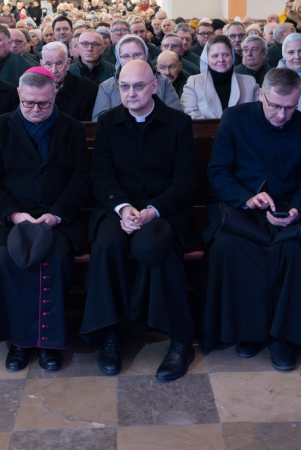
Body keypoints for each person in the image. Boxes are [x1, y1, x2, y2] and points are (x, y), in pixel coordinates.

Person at [0, 67, 90, 372]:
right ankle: (18, 342)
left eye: (43, 103)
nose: (35, 110)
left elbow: (82, 179)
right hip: (10, 219)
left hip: (57, 218)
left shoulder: (71, 129)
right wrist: (15, 215)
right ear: (19, 94)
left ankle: (47, 343)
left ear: (55, 95)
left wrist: (55, 215)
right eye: (28, 103)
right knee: (3, 259)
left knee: (53, 258)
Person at [81, 59, 197, 382]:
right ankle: (110, 334)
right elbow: (101, 175)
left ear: (154, 87)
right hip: (118, 209)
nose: (130, 93)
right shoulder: (107, 122)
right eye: (124, 87)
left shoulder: (177, 123)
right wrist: (123, 209)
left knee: (160, 247)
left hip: (166, 210)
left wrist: (153, 210)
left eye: (138, 86)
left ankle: (180, 339)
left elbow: (186, 181)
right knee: (106, 244)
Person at [203, 68, 301, 371]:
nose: (283, 115)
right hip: (239, 206)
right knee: (229, 247)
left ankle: (281, 337)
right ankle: (247, 332)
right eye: (275, 106)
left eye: (290, 107)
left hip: (284, 210)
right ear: (261, 95)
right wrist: (246, 197)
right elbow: (218, 170)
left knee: (292, 251)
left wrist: (297, 210)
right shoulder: (235, 118)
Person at [92, 34, 179, 121]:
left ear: (145, 55)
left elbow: (175, 117)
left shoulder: (163, 82)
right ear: (119, 59)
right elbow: (100, 123)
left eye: (137, 54)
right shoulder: (106, 87)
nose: (132, 60)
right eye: (126, 56)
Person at [181, 35, 258, 120]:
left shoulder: (250, 82)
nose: (221, 60)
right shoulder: (194, 82)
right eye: (215, 56)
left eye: (225, 55)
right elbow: (189, 112)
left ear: (232, 57)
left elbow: (257, 113)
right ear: (207, 59)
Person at [41, 41, 98, 121]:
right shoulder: (34, 89)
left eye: (58, 64)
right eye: (48, 64)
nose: (54, 70)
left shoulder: (88, 89)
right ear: (42, 64)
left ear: (68, 64)